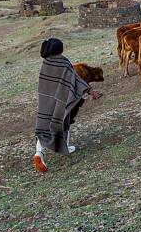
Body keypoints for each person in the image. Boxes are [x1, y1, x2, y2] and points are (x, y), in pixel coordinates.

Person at [33, 38, 102, 173]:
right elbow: (75, 79)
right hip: (61, 99)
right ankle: (64, 145)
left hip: (46, 100)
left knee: (45, 125)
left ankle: (38, 153)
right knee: (65, 120)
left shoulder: (46, 62)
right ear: (59, 50)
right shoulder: (63, 62)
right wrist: (90, 91)